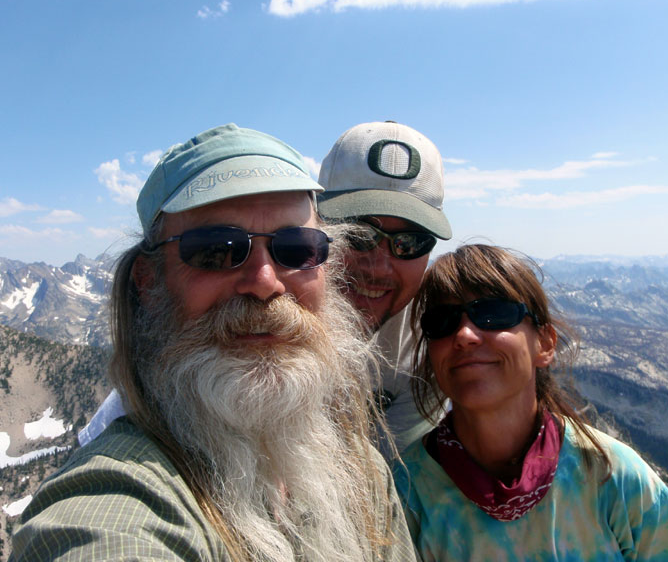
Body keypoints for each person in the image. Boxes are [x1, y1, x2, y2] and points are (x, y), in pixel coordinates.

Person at [11, 124, 416, 562]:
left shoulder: (362, 471)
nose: (264, 283)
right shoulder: (121, 494)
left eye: (297, 249)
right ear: (148, 282)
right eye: (216, 251)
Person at [78, 120, 453, 460]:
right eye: (215, 252)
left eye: (409, 243)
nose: (378, 265)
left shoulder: (439, 343)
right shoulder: (164, 382)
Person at [394, 244, 668, 560]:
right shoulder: (401, 495)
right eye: (442, 321)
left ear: (545, 344)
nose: (464, 333)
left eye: (493, 314)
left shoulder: (612, 476)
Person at [317, 120, 452, 457]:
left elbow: (385, 472)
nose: (377, 266)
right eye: (356, 234)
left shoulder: (430, 343)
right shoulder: (255, 320)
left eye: (409, 243)